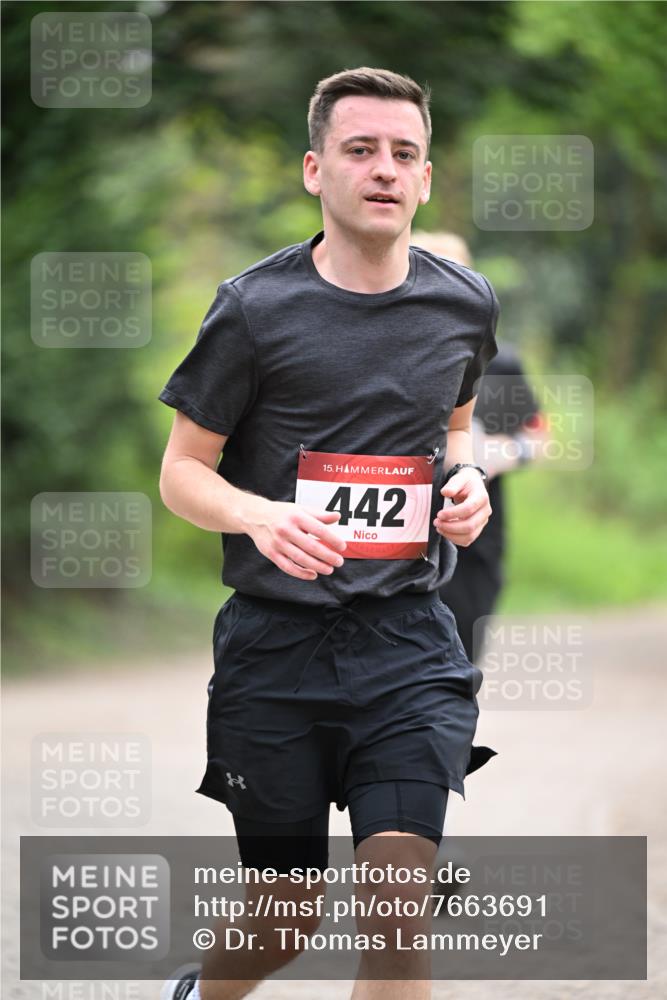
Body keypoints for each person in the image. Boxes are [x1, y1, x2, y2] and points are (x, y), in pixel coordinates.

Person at [158, 68, 499, 1000]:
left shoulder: (463, 303)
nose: (382, 169)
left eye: (403, 154)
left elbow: (456, 426)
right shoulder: (252, 310)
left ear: (424, 179)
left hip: (407, 645)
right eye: (359, 150)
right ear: (315, 170)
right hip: (274, 651)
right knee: (285, 917)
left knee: (396, 915)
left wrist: (462, 480)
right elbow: (180, 473)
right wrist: (258, 514)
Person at [412, 232, 549, 661]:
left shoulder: (499, 363)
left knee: (458, 660)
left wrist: (491, 456)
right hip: (400, 540)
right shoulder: (379, 355)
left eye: (453, 275)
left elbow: (538, 438)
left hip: (475, 538)